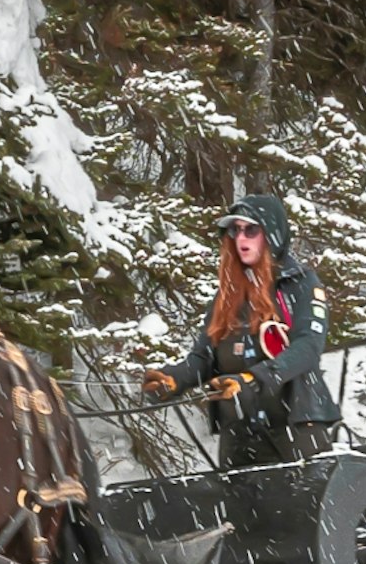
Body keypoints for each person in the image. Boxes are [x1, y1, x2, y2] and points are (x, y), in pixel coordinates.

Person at [143, 194, 337, 466]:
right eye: (235, 230)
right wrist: (174, 379)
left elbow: (308, 347)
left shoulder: (301, 282)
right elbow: (203, 357)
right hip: (239, 430)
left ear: (272, 234)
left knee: (311, 501)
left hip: (295, 423)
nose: (241, 238)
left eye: (251, 229)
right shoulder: (227, 293)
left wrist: (253, 378)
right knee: (238, 505)